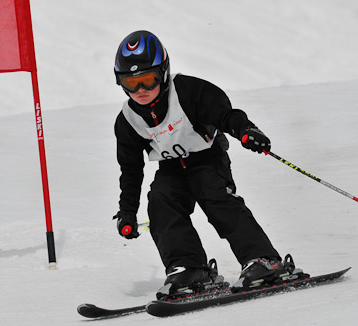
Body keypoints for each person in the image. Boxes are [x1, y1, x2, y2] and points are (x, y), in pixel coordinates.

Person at [112, 30, 293, 297]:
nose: (141, 90)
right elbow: (130, 170)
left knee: (215, 197)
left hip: (207, 158)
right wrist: (127, 211)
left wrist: (246, 131)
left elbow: (225, 115)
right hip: (172, 167)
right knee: (161, 201)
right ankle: (189, 268)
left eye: (148, 80)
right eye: (131, 82)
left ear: (163, 72)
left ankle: (264, 260)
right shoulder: (128, 120)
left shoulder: (188, 92)